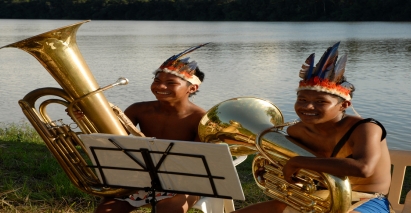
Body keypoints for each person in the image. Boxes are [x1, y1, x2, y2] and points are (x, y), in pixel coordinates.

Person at [233, 42, 391, 213]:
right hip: (319, 196)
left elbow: (363, 168)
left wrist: (298, 161)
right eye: (302, 100)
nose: (307, 107)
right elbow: (299, 174)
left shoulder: (365, 128)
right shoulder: (296, 131)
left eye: (320, 102)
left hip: (367, 199)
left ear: (344, 105)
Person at [91, 43, 209, 213]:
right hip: (140, 180)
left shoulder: (200, 119)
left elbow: (200, 164)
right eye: (157, 81)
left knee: (167, 210)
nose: (161, 87)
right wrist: (90, 116)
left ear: (192, 88)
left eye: (170, 83)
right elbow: (111, 139)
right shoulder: (138, 109)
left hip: (184, 183)